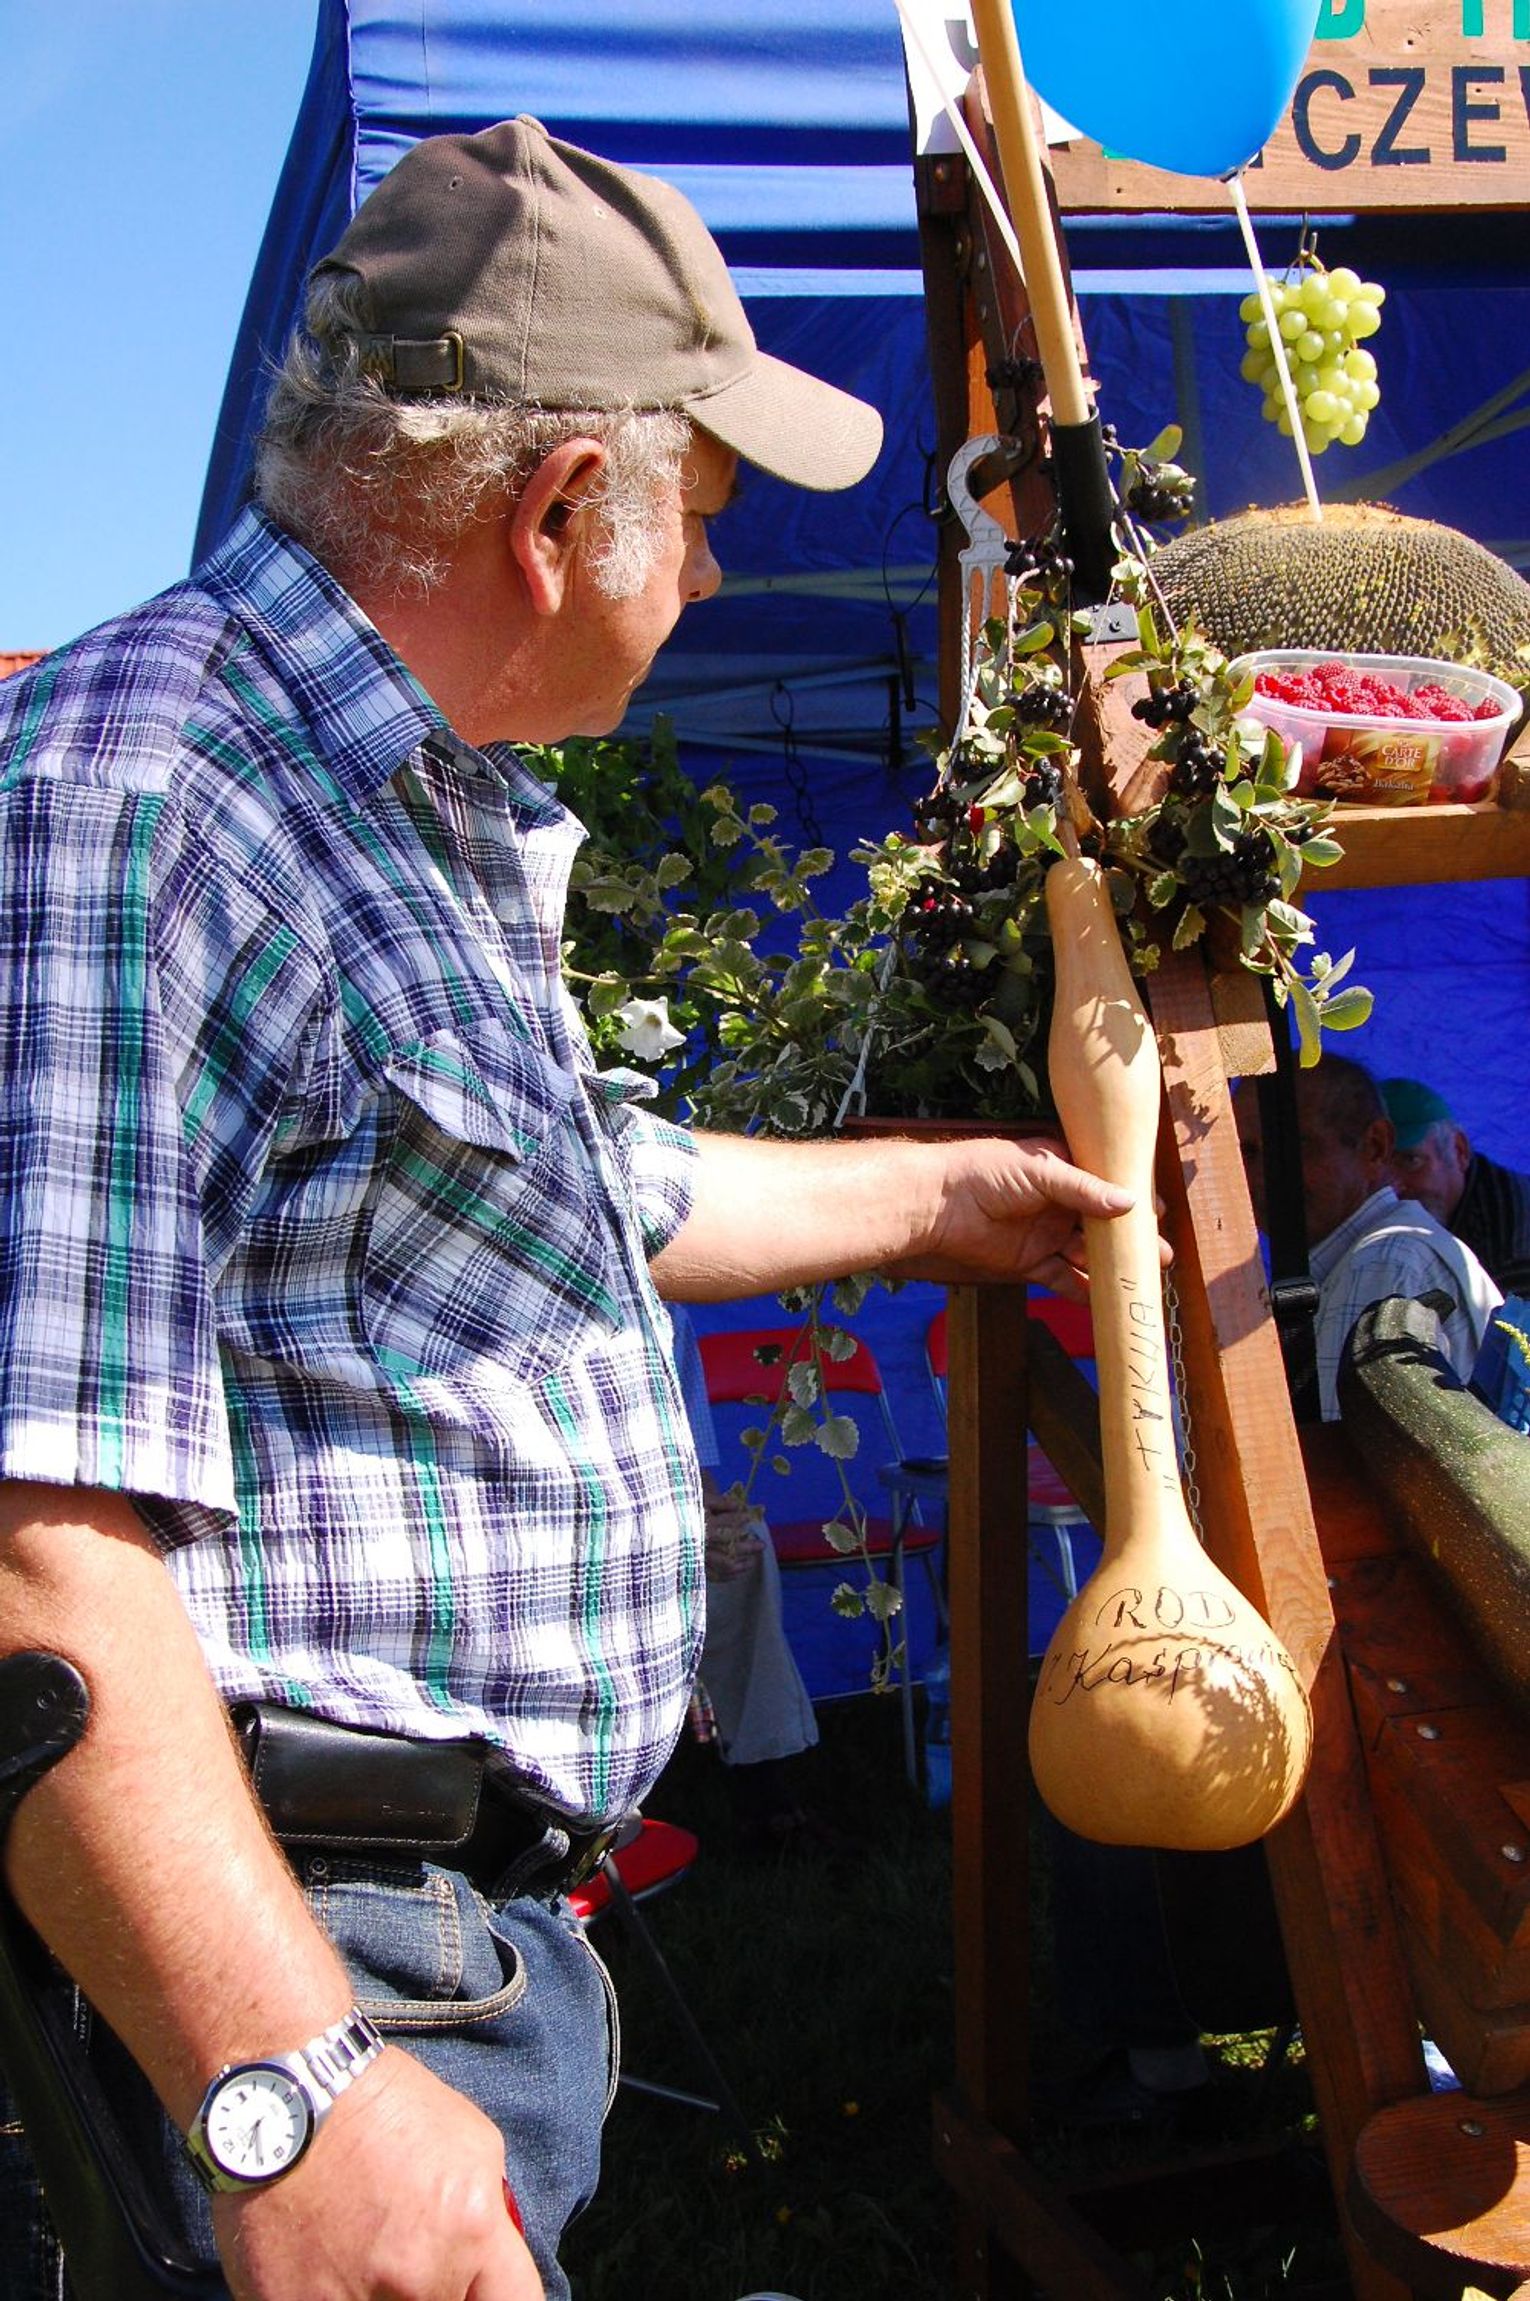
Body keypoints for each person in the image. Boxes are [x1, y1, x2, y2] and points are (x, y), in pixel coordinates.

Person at [0, 118, 1141, 2301]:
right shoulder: (147, 797)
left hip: (422, 1944)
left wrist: (942, 1193)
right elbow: (31, 1527)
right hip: (286, 1964)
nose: (704, 578)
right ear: (553, 513)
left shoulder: (392, 804)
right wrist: (288, 2088)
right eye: (698, 518)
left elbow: (575, 1194)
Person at [1234, 1054, 1501, 1422]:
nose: (1261, 1176)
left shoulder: (1383, 1262)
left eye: (1292, 1147)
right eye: (1246, 1152)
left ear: (1375, 1146)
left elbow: (1343, 1450)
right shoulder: (1364, 1259)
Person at [669, 1308, 828, 1852]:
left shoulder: (667, 1316)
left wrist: (712, 1524)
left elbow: (695, 1468)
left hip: (661, 1516)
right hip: (571, 1532)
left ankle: (763, 1779)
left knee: (746, 1542)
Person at [1380, 1076, 1530, 1300]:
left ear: (1459, 1151)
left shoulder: (1511, 1247)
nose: (1393, 1186)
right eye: (1379, 1166)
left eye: (1411, 1161)